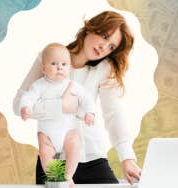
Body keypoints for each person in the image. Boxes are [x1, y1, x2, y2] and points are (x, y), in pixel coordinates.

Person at [13, 10, 142, 185]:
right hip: (54, 159)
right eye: (104, 36)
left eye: (111, 46)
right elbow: (18, 105)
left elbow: (114, 114)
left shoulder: (105, 69)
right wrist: (60, 106)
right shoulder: (50, 58)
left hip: (92, 157)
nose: (104, 47)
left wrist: (127, 158)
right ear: (91, 28)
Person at [19, 43, 96, 187]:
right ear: (43, 68)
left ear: (70, 68)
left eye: (64, 64)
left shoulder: (72, 85)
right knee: (45, 152)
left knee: (75, 145)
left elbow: (87, 98)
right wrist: (25, 107)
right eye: (54, 63)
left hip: (68, 132)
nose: (59, 67)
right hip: (47, 134)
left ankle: (68, 176)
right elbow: (28, 96)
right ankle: (55, 178)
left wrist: (90, 112)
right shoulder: (40, 85)